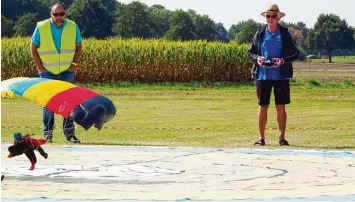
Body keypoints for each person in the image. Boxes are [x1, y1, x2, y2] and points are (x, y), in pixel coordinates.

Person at [30, 3, 82, 143]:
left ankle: (70, 135)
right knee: (48, 104)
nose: (59, 17)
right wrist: (40, 68)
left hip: (66, 72)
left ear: (65, 14)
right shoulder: (41, 27)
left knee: (68, 104)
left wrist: (73, 66)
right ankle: (48, 134)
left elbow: (79, 47)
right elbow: (33, 48)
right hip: (47, 72)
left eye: (62, 14)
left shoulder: (72, 26)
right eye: (56, 14)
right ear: (51, 14)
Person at [248, 4, 299, 146]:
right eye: (268, 16)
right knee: (262, 106)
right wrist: (257, 59)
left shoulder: (285, 33)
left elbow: (296, 53)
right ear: (265, 18)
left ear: (278, 18)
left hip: (281, 76)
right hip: (262, 76)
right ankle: (261, 138)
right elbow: (251, 53)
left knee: (280, 106)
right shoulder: (259, 34)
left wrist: (282, 60)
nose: (270, 18)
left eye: (273, 16)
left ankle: (282, 138)